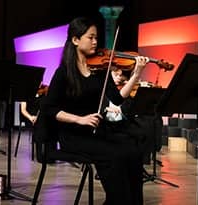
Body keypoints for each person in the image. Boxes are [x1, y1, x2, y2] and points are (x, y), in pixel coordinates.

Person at [40, 17, 148, 205]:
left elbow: (117, 98)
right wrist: (79, 119)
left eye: (96, 38)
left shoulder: (100, 70)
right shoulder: (64, 73)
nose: (96, 42)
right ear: (75, 40)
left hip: (97, 131)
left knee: (133, 149)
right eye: (90, 38)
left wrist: (137, 74)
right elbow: (49, 109)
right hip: (73, 135)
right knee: (115, 154)